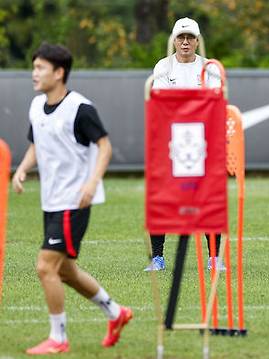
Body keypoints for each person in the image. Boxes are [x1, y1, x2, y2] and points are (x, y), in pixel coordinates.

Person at [12, 43, 132, 355]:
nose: (34, 73)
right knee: (64, 270)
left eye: (40, 68)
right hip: (50, 201)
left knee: (44, 266)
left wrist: (92, 183)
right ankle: (116, 312)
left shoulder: (80, 108)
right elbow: (37, 144)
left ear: (59, 72)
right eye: (34, 67)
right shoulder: (37, 106)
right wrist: (22, 169)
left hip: (73, 201)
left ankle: (58, 337)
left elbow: (104, 146)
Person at [146, 17, 223, 272]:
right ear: (174, 41)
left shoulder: (210, 68)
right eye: (181, 37)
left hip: (203, 145)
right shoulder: (163, 67)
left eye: (190, 37)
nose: (186, 42)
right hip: (171, 145)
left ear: (198, 40)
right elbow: (159, 104)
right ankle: (157, 257)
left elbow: (214, 104)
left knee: (208, 198)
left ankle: (213, 257)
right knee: (162, 197)